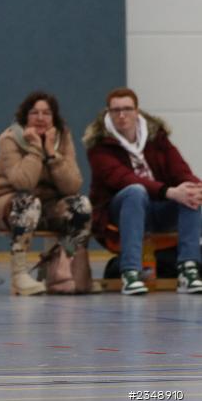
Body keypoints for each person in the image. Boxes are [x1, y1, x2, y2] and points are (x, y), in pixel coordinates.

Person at [84, 87, 202, 295]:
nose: (122, 115)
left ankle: (188, 269)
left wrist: (195, 187)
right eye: (116, 110)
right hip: (119, 214)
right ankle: (130, 272)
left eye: (127, 109)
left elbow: (179, 169)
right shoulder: (99, 146)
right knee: (135, 191)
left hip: (159, 209)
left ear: (137, 111)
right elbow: (122, 178)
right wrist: (169, 192)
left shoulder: (157, 138)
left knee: (191, 193)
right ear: (108, 113)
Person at [0, 91, 93, 295]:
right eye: (35, 113)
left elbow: (72, 186)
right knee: (28, 201)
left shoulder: (62, 137)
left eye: (46, 113)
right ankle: (19, 275)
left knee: (81, 205)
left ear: (54, 118)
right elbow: (22, 182)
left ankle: (63, 263)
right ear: (25, 117)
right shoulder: (10, 138)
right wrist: (36, 148)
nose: (41, 118)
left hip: (49, 204)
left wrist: (52, 154)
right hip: (7, 203)